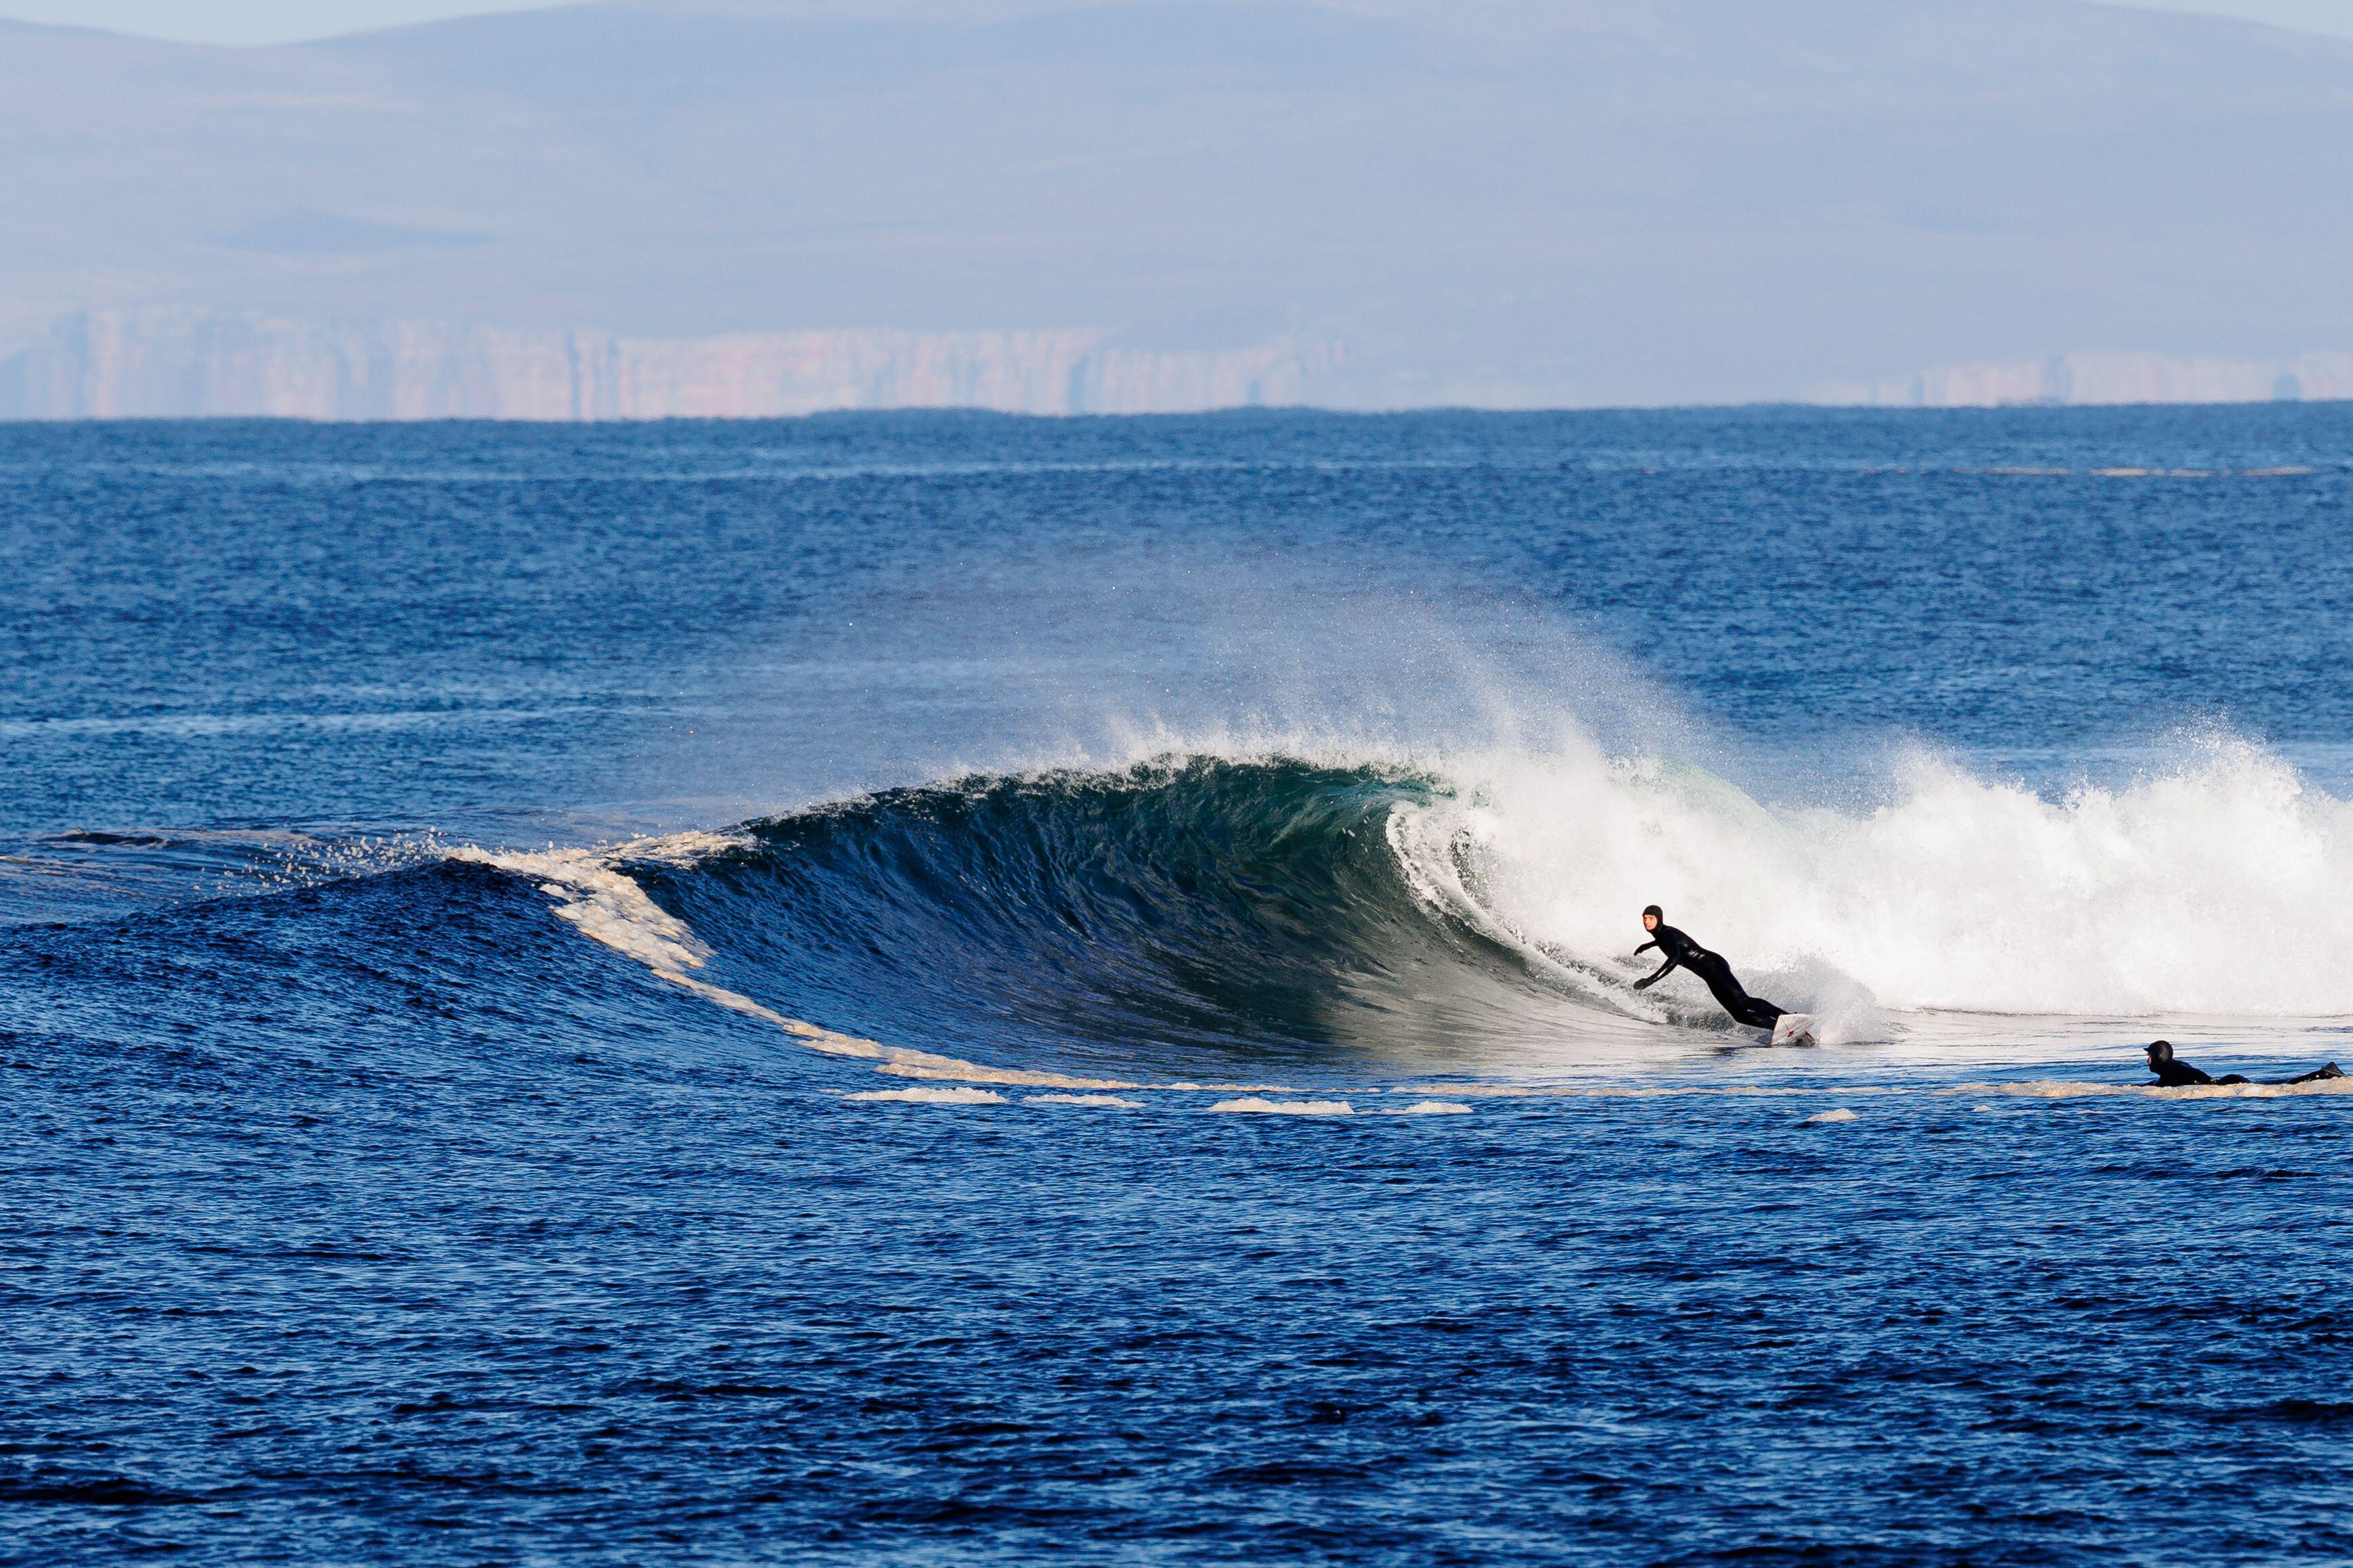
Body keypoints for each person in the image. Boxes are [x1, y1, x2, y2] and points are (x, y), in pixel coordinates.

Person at [1632, 905, 1786, 1030]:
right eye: (1644, 919)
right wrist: (1647, 945)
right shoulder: (1662, 936)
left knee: (1743, 1000)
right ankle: (1778, 1028)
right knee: (1739, 1015)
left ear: (1659, 919)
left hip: (1713, 965)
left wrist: (1651, 980)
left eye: (1651, 918)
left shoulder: (1668, 934)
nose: (1647, 922)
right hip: (1709, 975)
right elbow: (1666, 942)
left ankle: (1785, 1017)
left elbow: (1674, 959)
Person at [2143, 1039, 2344, 1088]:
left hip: (2226, 1083)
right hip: (2227, 1080)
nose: (2147, 1060)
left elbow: (2193, 1079)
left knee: (2283, 1088)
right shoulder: (2174, 1067)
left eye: (2150, 1055)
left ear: (2159, 1056)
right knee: (2278, 1085)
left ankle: (2324, 1074)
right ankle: (2324, 1073)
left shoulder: (2170, 1069)